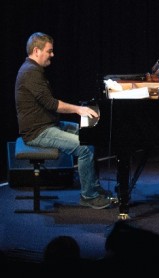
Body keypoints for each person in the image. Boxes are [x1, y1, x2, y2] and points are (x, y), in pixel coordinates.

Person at [15, 32, 112, 209]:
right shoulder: (30, 73)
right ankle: (88, 196)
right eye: (49, 51)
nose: (52, 55)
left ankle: (94, 187)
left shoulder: (34, 70)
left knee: (89, 135)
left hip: (49, 125)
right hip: (37, 132)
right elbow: (51, 104)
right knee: (84, 147)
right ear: (36, 51)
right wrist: (78, 109)